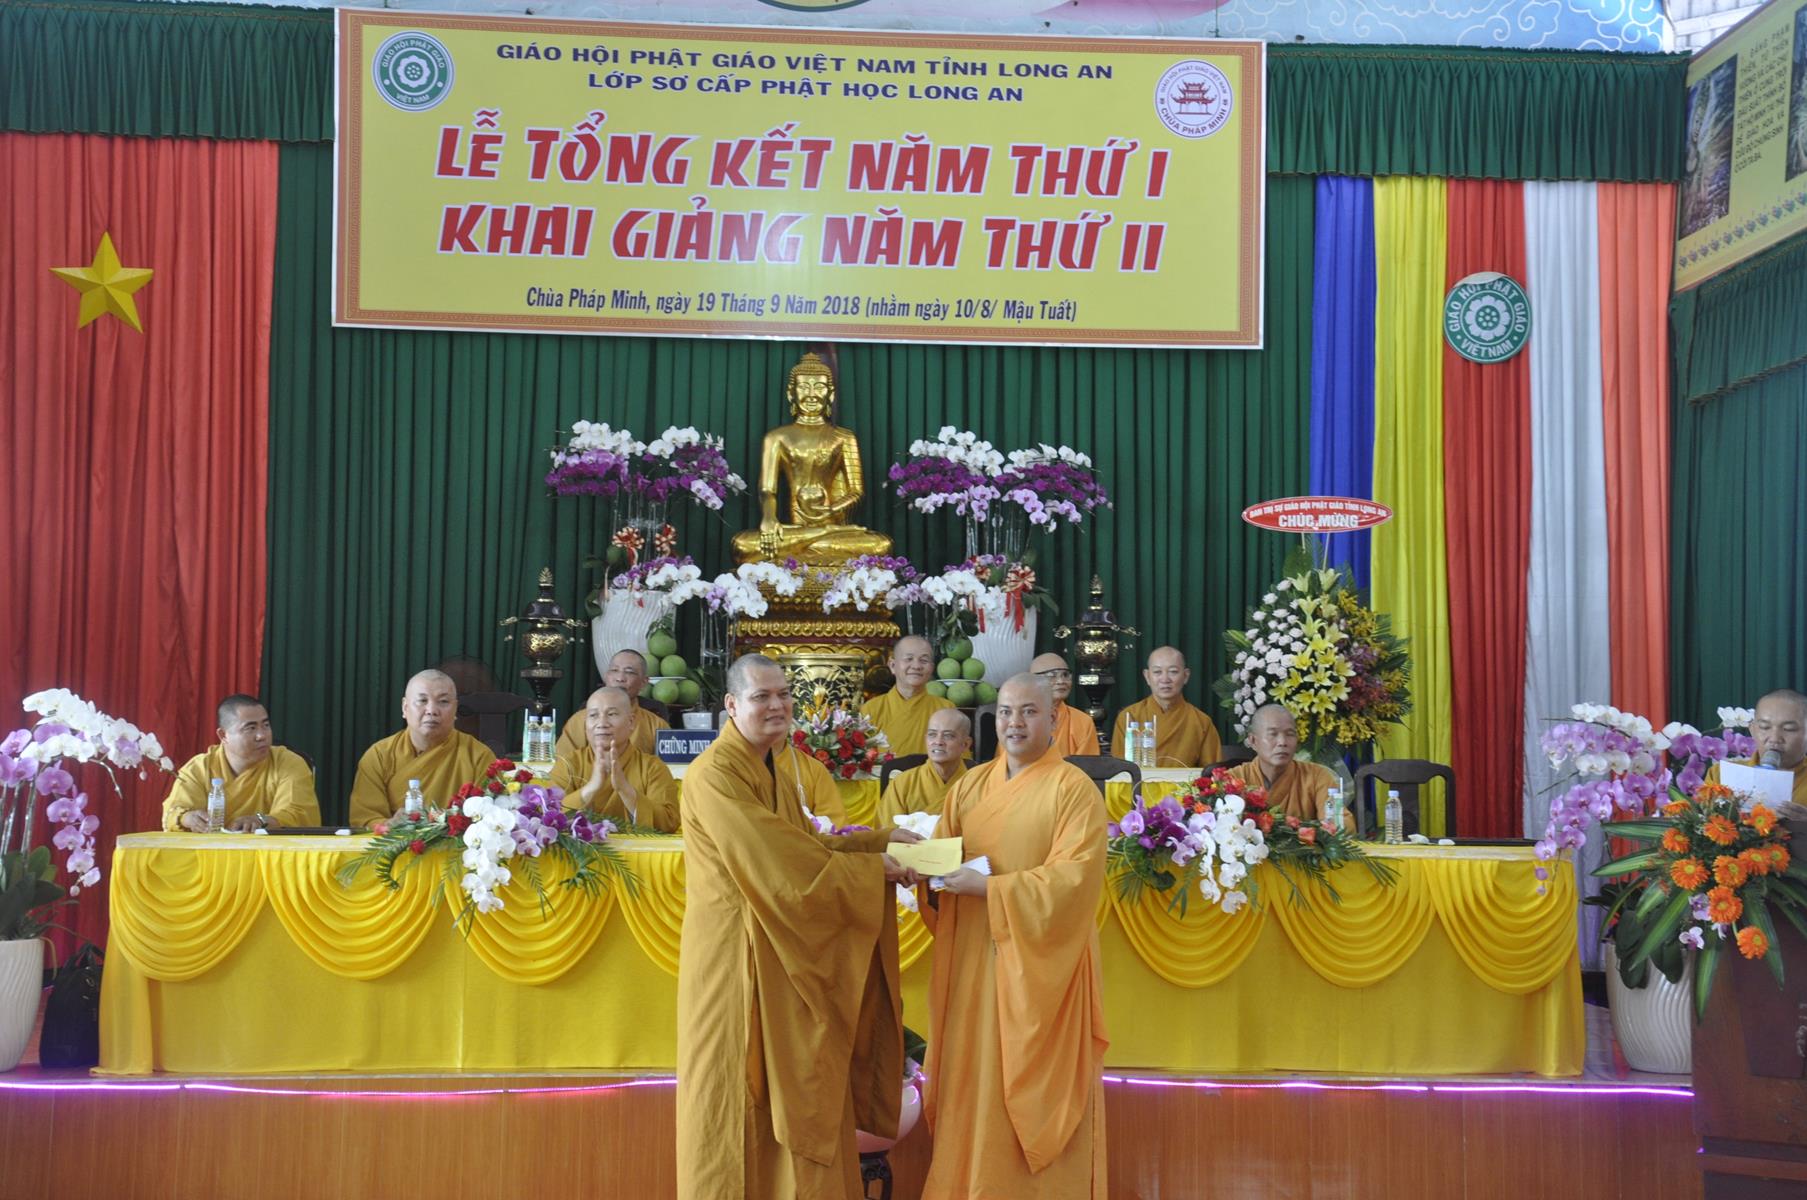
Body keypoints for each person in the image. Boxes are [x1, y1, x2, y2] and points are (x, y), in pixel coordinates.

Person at [676, 654, 923, 1199]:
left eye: (783, 694)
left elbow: (804, 845)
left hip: (776, 946)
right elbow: (781, 863)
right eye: (761, 696)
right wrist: (874, 868)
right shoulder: (714, 774)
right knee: (737, 1094)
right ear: (731, 705)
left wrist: (876, 842)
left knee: (795, 1084)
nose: (777, 705)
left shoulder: (774, 767)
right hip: (736, 959)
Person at [920, 673, 1109, 1198]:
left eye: (1028, 711)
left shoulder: (1074, 790)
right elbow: (942, 857)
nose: (1015, 723)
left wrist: (992, 889)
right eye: (1005, 712)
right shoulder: (970, 785)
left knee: (1026, 1087)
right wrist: (922, 870)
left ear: (1053, 719)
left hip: (1038, 970)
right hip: (972, 960)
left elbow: (1075, 881)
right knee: (973, 1080)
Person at [348, 669, 493, 829]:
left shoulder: (478, 756)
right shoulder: (379, 756)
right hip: (394, 844)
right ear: (405, 708)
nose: (431, 710)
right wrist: (389, 825)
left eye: (443, 701)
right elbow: (365, 819)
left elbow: (489, 819)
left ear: (455, 709)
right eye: (422, 700)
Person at [161, 695, 320, 831]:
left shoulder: (288, 762)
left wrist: (260, 820)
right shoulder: (200, 768)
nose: (262, 735)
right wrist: (187, 818)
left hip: (268, 853)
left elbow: (299, 814)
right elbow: (173, 812)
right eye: (250, 728)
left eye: (266, 725)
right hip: (211, 850)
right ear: (223, 735)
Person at [548, 686, 680, 832]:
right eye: (593, 715)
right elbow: (550, 817)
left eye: (611, 714)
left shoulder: (652, 767)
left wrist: (625, 789)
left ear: (631, 722)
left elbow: (669, 821)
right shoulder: (569, 764)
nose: (602, 723)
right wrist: (592, 787)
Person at [1227, 704, 1344, 825]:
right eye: (1273, 734)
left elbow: (1340, 825)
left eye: (1290, 734)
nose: (1282, 742)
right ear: (1253, 741)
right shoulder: (1234, 780)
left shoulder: (1318, 777)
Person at [1109, 646, 1223, 767]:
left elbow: (1212, 773)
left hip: (1185, 780)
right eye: (1157, 672)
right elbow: (1119, 770)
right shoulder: (1129, 717)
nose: (1165, 679)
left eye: (1173, 672)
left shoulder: (1201, 722)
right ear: (1147, 676)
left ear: (1185, 676)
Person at [557, 649, 671, 759]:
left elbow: (670, 767)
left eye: (629, 672)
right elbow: (563, 763)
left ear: (643, 682)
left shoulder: (656, 725)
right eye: (614, 670)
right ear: (606, 676)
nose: (620, 678)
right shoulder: (579, 720)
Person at [1708, 688, 1807, 812]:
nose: (1774, 738)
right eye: (1764, 727)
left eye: (1788, 729)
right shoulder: (1720, 775)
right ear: (1752, 730)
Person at [991, 652, 1098, 759]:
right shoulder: (1015, 721)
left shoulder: (1082, 722)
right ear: (1032, 680)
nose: (1061, 681)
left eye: (1065, 675)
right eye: (1052, 675)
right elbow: (1005, 762)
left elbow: (1087, 766)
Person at [862, 635, 955, 757]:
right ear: (893, 665)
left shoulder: (945, 709)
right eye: (908, 659)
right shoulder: (871, 709)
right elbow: (863, 760)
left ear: (932, 668)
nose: (916, 666)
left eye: (924, 660)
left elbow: (957, 759)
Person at [877, 707, 971, 827]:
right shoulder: (903, 783)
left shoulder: (976, 784)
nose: (938, 741)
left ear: (965, 744)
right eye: (932, 734)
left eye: (948, 736)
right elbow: (888, 830)